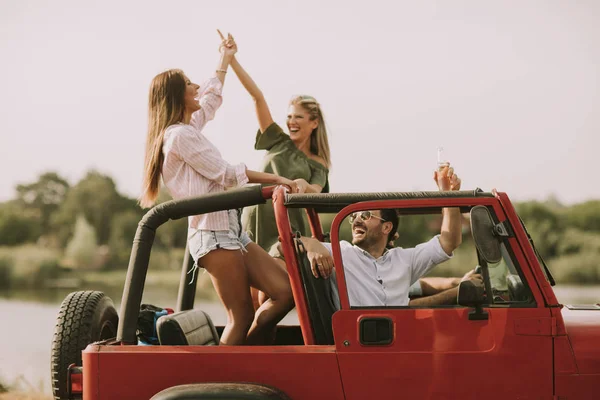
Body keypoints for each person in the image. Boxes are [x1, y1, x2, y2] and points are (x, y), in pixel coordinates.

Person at [139, 33, 298, 345]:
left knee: (284, 292)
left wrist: (224, 58)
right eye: (189, 84)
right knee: (240, 316)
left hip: (231, 231)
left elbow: (210, 99)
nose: (197, 86)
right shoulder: (179, 136)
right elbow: (225, 175)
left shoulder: (187, 129)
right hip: (212, 236)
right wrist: (276, 179)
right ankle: (224, 376)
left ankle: (245, 358)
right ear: (176, 96)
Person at [224, 34, 331, 261]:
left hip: (286, 227)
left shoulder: (317, 161)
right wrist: (231, 60)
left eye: (298, 117)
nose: (291, 121)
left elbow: (316, 190)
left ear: (314, 123)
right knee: (250, 286)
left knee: (276, 285)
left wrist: (303, 185)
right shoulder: (278, 140)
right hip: (256, 217)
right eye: (289, 116)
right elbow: (257, 97)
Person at [299, 164, 464, 308]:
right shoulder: (341, 252)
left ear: (386, 227)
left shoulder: (404, 260)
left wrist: (448, 194)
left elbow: (449, 242)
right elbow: (285, 245)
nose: (356, 221)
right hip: (360, 338)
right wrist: (311, 244)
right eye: (353, 217)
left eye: (365, 215)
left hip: (401, 335)